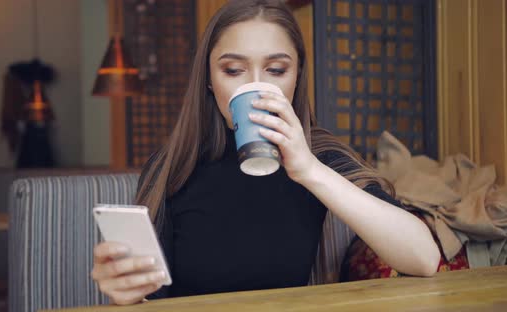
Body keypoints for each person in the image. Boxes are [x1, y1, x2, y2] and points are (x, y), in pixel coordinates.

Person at [91, 0, 440, 305]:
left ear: (296, 76)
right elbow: (153, 295)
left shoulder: (319, 156)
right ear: (210, 81)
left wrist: (309, 170)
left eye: (276, 70)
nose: (254, 86)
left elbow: (424, 259)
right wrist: (129, 291)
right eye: (233, 70)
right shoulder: (172, 165)